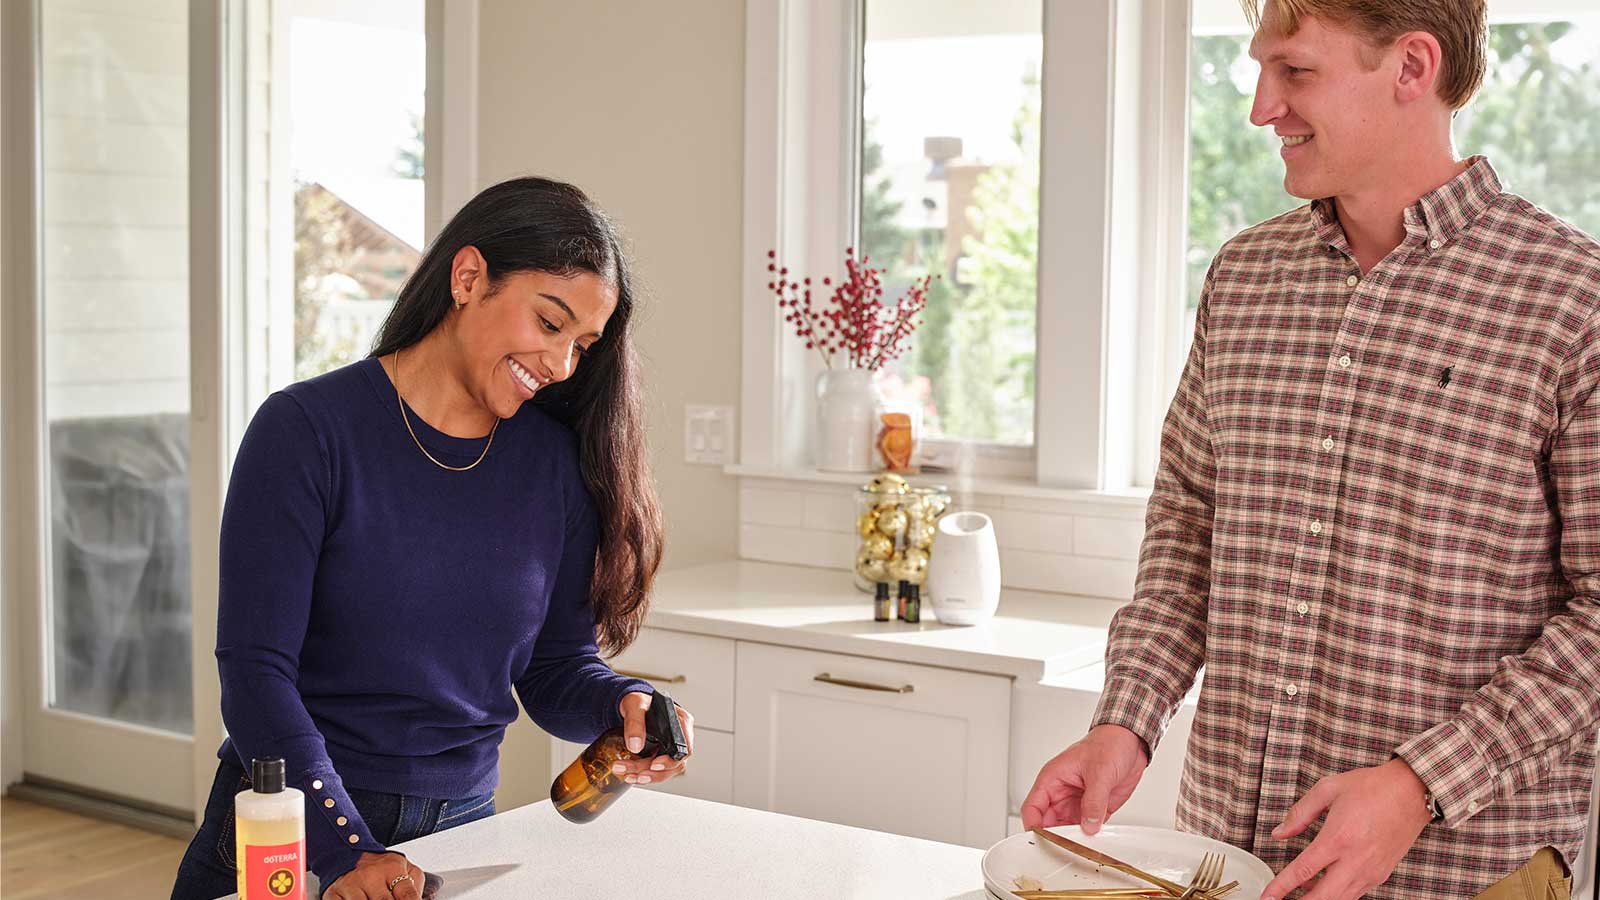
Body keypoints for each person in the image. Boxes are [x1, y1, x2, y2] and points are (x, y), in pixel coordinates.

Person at [1022, 2, 1599, 898]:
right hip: (1226, 864)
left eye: (1295, 72)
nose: (1261, 107)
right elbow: (1188, 526)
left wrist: (1420, 785)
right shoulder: (1245, 279)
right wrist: (1126, 723)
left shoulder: (1572, 301)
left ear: (1412, 68)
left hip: (1461, 873)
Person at [170, 177, 691, 900]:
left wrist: (622, 706)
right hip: (292, 832)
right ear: (469, 277)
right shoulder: (306, 433)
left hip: (463, 834)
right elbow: (255, 674)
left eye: (582, 344)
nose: (562, 364)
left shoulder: (552, 464)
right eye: (549, 323)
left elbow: (553, 667)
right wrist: (348, 849)